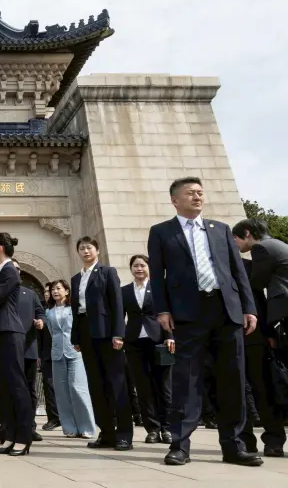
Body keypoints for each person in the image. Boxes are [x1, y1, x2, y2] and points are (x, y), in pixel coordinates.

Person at [148, 176, 261, 467]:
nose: (197, 197)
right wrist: (162, 310)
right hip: (188, 314)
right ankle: (180, 446)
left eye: (200, 192)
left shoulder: (220, 229)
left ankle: (234, 446)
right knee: (186, 382)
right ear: (175, 200)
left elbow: (237, 271)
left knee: (232, 380)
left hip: (226, 311)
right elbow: (157, 275)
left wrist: (249, 308)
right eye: (191, 193)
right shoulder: (161, 232)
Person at [70, 236, 133, 451]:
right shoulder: (76, 279)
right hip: (86, 334)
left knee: (117, 384)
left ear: (97, 250)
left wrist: (118, 333)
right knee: (96, 386)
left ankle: (124, 434)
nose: (85, 251)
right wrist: (76, 337)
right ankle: (106, 433)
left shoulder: (107, 272)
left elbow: (117, 304)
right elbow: (75, 311)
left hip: (107, 334)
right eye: (82, 248)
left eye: (89, 247)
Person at [232, 219, 287, 457]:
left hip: (254, 337)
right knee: (233, 392)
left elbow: (259, 302)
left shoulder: (250, 266)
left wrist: (269, 333)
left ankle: (274, 439)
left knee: (263, 389)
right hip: (223, 339)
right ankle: (242, 442)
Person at [0, 232, 33, 456]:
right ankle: (10, 436)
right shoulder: (1, 270)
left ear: (0, 248)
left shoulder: (10, 270)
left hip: (10, 332)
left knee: (17, 386)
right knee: (4, 388)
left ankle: (23, 438)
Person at [121, 255, 174, 445]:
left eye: (142, 265)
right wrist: (121, 336)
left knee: (164, 387)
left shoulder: (159, 288)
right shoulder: (125, 291)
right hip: (135, 343)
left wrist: (170, 336)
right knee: (143, 388)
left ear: (149, 268)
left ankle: (167, 428)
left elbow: (169, 313)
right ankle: (152, 429)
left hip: (160, 342)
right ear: (131, 269)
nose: (139, 269)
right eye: (135, 266)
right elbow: (120, 316)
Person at [45, 280, 95, 438]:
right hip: (57, 353)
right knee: (61, 392)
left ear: (66, 291)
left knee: (78, 388)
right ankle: (69, 427)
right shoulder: (49, 312)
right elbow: (52, 332)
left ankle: (86, 427)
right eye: (53, 289)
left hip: (74, 351)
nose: (55, 291)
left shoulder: (73, 309)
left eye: (58, 288)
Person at [11, 258, 45, 443]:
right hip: (8, 350)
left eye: (16, 269)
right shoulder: (0, 293)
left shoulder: (30, 294)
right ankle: (11, 427)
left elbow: (40, 313)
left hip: (28, 349)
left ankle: (30, 427)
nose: (14, 271)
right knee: (11, 390)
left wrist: (41, 322)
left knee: (30, 389)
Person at [234, 218, 288, 329]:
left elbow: (257, 283)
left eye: (234, 237)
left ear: (246, 233)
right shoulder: (277, 243)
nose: (234, 242)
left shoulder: (260, 247)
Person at [39, 282, 61, 432]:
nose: (48, 293)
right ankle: (54, 417)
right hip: (47, 354)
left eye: (50, 290)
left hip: (64, 352)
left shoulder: (64, 310)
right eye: (46, 291)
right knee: (49, 386)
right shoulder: (42, 312)